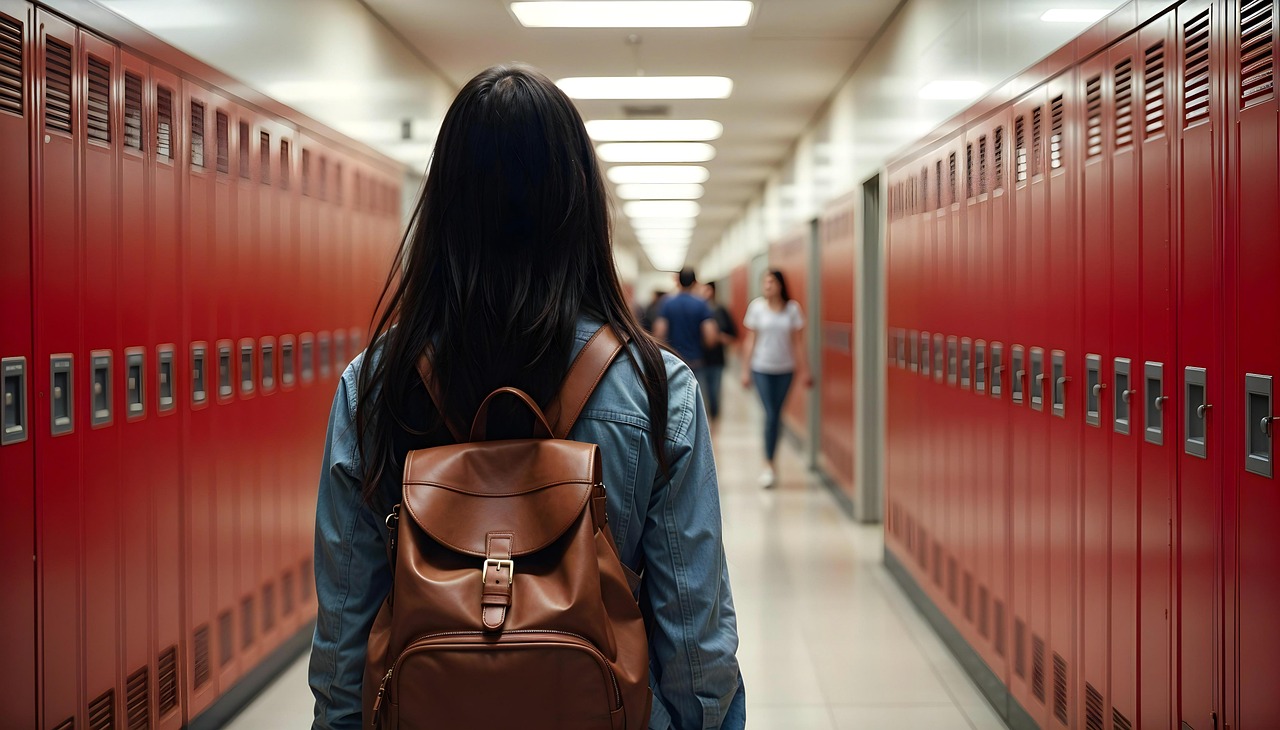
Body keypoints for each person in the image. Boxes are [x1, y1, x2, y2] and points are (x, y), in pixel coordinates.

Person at [308, 65, 745, 729]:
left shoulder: (377, 384)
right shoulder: (658, 389)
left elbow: (346, 624)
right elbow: (694, 633)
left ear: (444, 202)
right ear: (580, 203)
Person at [739, 269, 812, 488]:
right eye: (765, 282)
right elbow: (750, 341)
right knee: (770, 415)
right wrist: (745, 369)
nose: (767, 286)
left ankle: (771, 461)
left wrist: (805, 370)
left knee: (777, 415)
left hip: (785, 369)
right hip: (761, 367)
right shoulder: (757, 308)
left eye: (771, 282)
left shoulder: (792, 310)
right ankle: (768, 465)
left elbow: (798, 343)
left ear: (780, 285)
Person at [653, 268, 719, 375]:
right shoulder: (701, 304)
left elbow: (659, 334)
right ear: (695, 282)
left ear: (678, 281)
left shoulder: (667, 303)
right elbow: (711, 338)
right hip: (696, 361)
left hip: (673, 360)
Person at [698, 281, 738, 423]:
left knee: (714, 394)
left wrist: (718, 337)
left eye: (707, 290)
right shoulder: (697, 309)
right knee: (701, 396)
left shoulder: (721, 311)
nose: (704, 293)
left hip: (716, 360)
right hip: (699, 360)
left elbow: (733, 336)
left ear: (713, 291)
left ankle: (714, 423)